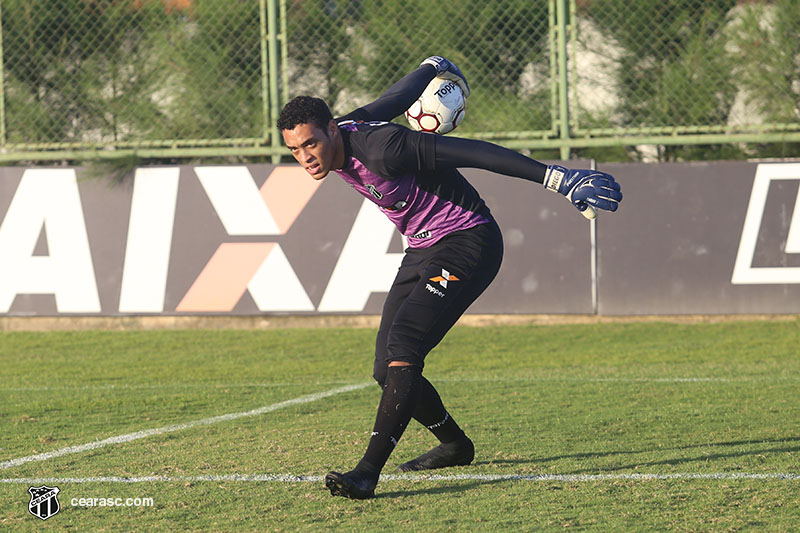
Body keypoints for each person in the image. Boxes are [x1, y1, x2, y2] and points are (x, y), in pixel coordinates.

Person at [277, 56, 622, 499]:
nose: (305, 157)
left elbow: (473, 152)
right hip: (423, 248)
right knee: (385, 368)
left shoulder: (384, 148)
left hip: (468, 241)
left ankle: (366, 473)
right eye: (295, 150)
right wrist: (431, 66)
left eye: (310, 144)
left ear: (331, 130)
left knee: (405, 345)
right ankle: (455, 445)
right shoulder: (345, 131)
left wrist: (557, 178)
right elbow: (393, 99)